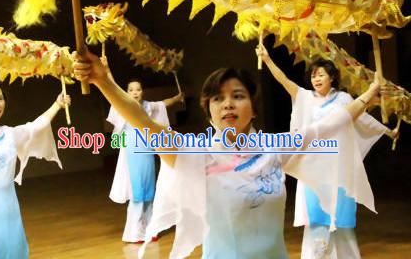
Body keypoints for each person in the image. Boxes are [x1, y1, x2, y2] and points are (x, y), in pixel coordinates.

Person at [73, 50, 384, 259]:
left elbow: (335, 122)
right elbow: (145, 123)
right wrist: (103, 81)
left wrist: (371, 93)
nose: (228, 104)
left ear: (253, 109)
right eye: (218, 99)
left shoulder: (275, 150)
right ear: (209, 112)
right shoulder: (197, 155)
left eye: (238, 96)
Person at [257, 43, 397, 259]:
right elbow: (284, 81)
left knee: (340, 216)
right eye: (313, 75)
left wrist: (388, 132)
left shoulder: (343, 100)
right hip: (313, 168)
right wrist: (267, 60)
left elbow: (363, 119)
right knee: (317, 215)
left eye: (321, 74)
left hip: (337, 167)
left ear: (332, 77)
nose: (316, 79)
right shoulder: (305, 98)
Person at [0, 80, 70, 259]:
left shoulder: (10, 134)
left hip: (9, 207)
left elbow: (35, 127)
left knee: (13, 250)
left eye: (0, 98)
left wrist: (57, 104)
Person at [105, 71, 184, 243]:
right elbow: (112, 88)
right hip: (132, 153)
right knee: (138, 192)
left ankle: (150, 229)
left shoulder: (148, 107)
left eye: (138, 89)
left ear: (142, 92)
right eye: (131, 90)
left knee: (149, 191)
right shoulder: (123, 106)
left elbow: (164, 104)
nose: (135, 92)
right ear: (126, 92)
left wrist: (178, 98)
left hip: (147, 151)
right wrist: (108, 71)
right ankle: (134, 233)